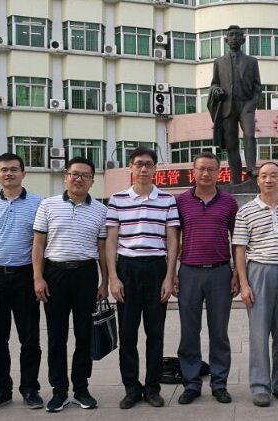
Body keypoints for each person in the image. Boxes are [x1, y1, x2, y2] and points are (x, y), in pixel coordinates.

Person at [32, 156, 109, 412]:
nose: (79, 179)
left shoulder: (100, 210)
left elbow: (102, 249)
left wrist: (105, 282)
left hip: (86, 274)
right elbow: (38, 245)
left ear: (92, 181)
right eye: (74, 174)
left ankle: (81, 388)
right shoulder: (48, 205)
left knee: (84, 334)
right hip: (55, 274)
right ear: (65, 177)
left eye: (85, 176)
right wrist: (38, 277)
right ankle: (59, 390)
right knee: (56, 336)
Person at [105, 147, 180, 410]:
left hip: (156, 268)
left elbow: (173, 241)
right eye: (139, 164)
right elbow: (111, 241)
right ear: (131, 167)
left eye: (148, 164)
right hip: (127, 269)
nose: (144, 169)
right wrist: (113, 277)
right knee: (127, 334)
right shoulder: (117, 199)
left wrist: (169, 276)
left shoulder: (167, 200)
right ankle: (131, 388)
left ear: (155, 168)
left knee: (155, 333)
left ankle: (152, 388)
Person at [0, 153, 44, 411]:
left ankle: (30, 388)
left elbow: (42, 243)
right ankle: (0, 390)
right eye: (4, 170)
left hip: (25, 277)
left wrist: (38, 277)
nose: (9, 173)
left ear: (23, 173)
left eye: (14, 169)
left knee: (30, 338)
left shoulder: (39, 204)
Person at [174, 152, 240, 405]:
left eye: (211, 169)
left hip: (220, 272)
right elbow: (173, 240)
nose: (205, 173)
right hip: (189, 272)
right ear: (193, 171)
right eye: (201, 168)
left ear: (218, 172)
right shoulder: (180, 202)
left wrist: (236, 272)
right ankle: (191, 384)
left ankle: (219, 383)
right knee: (189, 332)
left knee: (219, 332)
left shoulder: (229, 202)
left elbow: (237, 240)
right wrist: (172, 274)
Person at [232, 162, 278, 407]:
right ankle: (260, 386)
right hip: (258, 271)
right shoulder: (246, 211)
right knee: (259, 333)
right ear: (258, 180)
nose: (268, 180)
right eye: (263, 176)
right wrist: (244, 284)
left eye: (273, 175)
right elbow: (239, 250)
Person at [209, 24, 262, 184]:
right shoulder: (219, 62)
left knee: (249, 135)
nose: (234, 38)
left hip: (246, 105)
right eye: (231, 35)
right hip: (227, 107)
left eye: (237, 35)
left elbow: (257, 86)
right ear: (226, 40)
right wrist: (216, 90)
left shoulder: (252, 62)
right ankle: (235, 178)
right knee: (231, 144)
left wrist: (253, 104)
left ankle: (251, 169)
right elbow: (214, 83)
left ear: (243, 40)